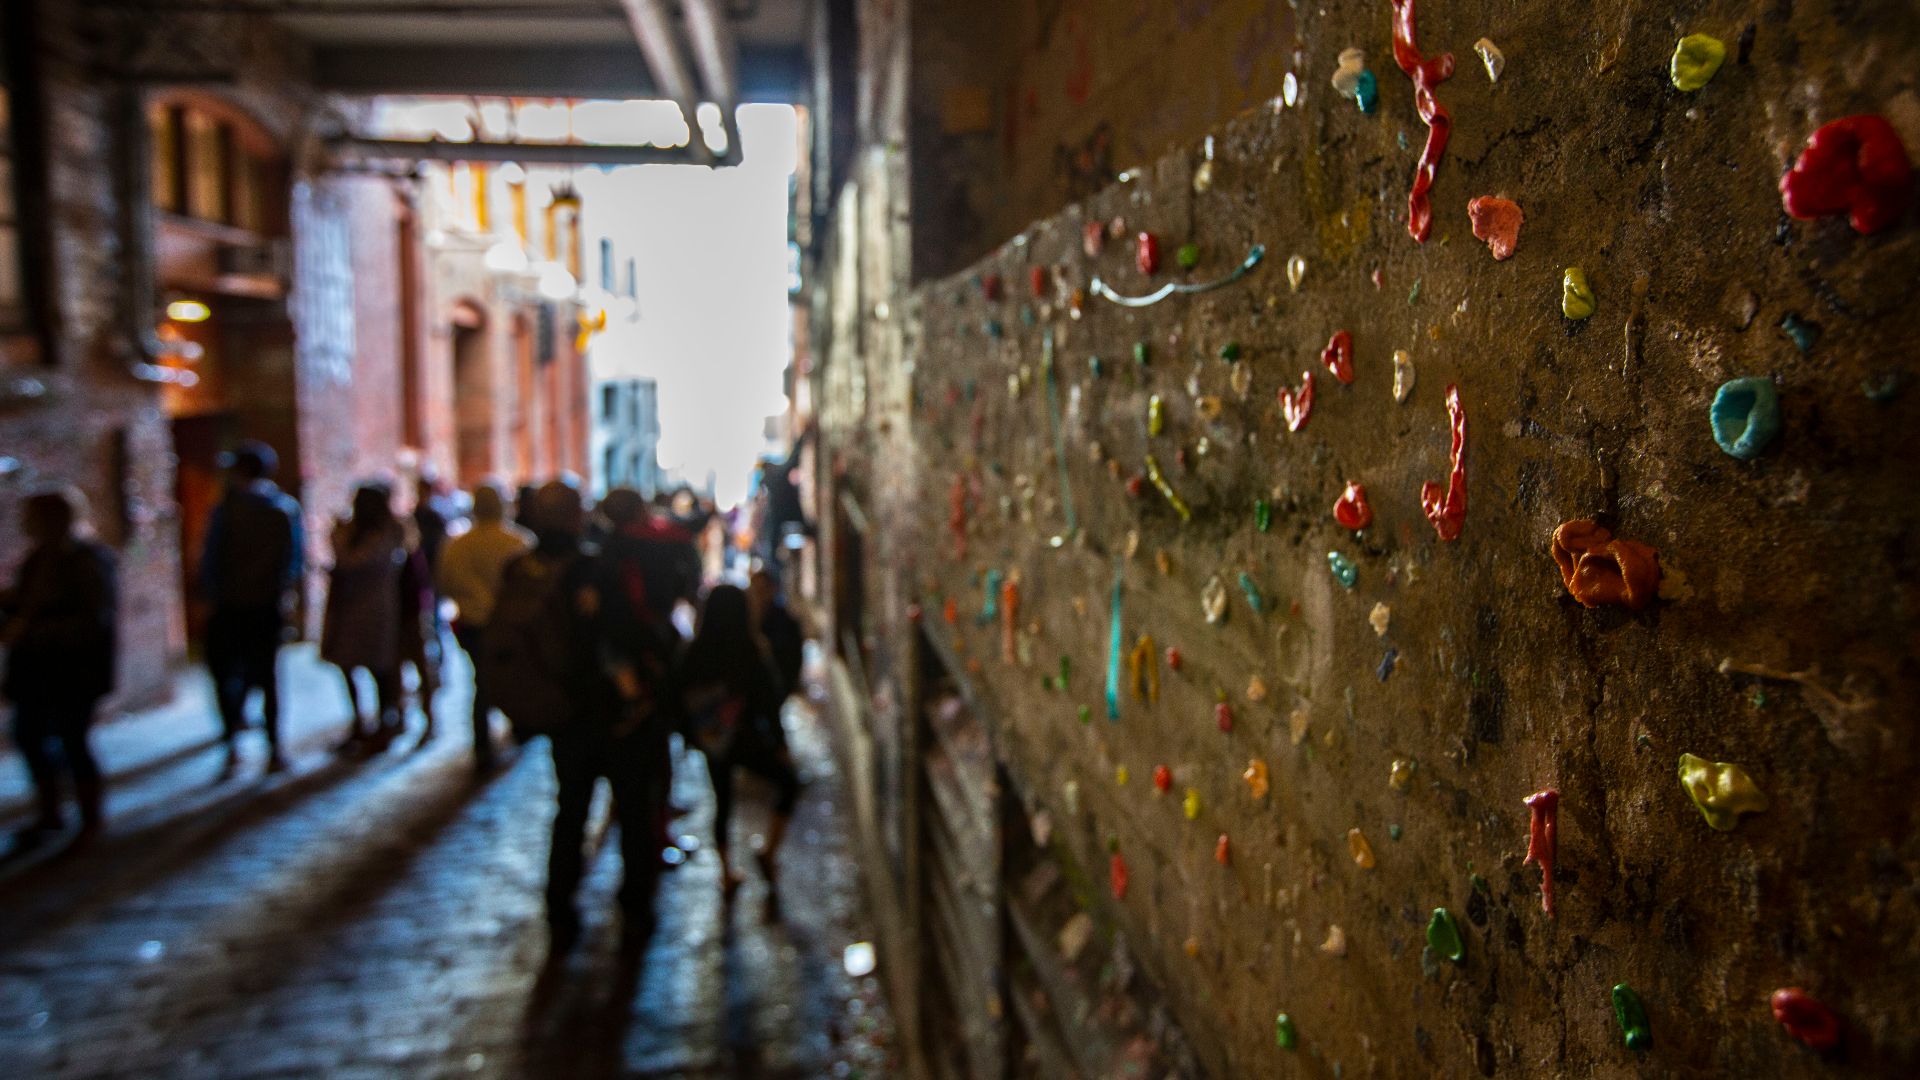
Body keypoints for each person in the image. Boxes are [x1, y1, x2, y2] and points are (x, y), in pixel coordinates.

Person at [516, 480, 670, 952]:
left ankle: (559, 907)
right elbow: (622, 635)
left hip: (565, 714)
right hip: (612, 713)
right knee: (633, 811)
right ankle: (636, 909)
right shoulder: (596, 570)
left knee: (571, 810)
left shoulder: (523, 572)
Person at [1, 489, 118, 847]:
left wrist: (31, 629)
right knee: (30, 736)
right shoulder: (39, 558)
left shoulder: (88, 560)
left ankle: (89, 820)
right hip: (37, 670)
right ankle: (50, 813)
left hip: (72, 671)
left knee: (73, 740)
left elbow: (92, 621)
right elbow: (26, 603)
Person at [680, 584, 801, 918]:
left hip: (712, 742)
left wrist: (694, 736)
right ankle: (768, 851)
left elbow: (678, 697)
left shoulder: (694, 650)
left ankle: (726, 874)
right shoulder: (750, 650)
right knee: (789, 783)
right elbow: (769, 702)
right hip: (745, 740)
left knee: (721, 803)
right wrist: (779, 745)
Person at [596, 487, 702, 867]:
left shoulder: (604, 550)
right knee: (652, 752)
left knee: (639, 757)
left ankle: (649, 825)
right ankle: (654, 840)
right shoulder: (655, 544)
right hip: (647, 658)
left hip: (624, 664)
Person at [199, 440, 304, 776]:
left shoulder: (226, 509)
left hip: (232, 605)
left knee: (231, 676)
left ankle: (234, 744)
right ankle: (274, 749)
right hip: (265, 605)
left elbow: (211, 560)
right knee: (267, 675)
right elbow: (294, 562)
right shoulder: (284, 508)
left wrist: (207, 597)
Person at [435, 482, 531, 770]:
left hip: (473, 624)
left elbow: (446, 583)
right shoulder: (518, 541)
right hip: (510, 625)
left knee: (481, 682)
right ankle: (518, 729)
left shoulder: (458, 545)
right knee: (513, 677)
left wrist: (475, 602)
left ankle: (482, 744)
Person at [320, 483, 407, 749]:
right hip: (356, 609)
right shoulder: (372, 532)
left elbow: (352, 561)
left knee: (379, 668)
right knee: (351, 665)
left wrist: (337, 535)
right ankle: (362, 722)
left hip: (373, 609)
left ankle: (383, 723)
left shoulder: (386, 533)